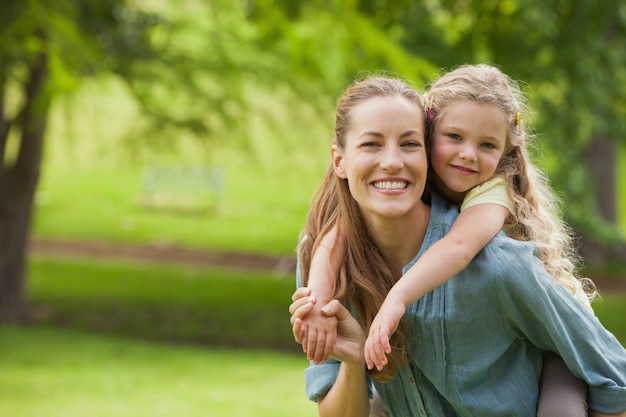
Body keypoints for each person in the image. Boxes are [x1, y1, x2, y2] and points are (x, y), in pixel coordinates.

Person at [290, 72, 626, 416]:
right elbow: (335, 232)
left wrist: (397, 298)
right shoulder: (330, 258)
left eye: (409, 144)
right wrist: (350, 355)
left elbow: (614, 374)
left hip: (556, 346)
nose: (392, 161)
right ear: (339, 161)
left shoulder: (497, 255)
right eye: (371, 143)